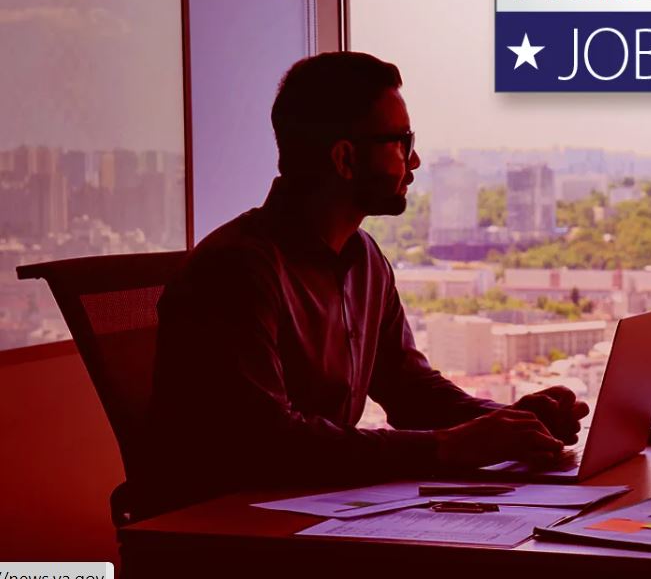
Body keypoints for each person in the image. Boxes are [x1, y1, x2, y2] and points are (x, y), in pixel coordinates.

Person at [145, 52, 588, 513]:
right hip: (225, 526)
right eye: (400, 141)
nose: (413, 159)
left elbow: (410, 391)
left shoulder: (365, 259)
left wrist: (511, 420)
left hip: (315, 508)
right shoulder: (235, 271)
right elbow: (269, 445)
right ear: (345, 158)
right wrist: (447, 447)